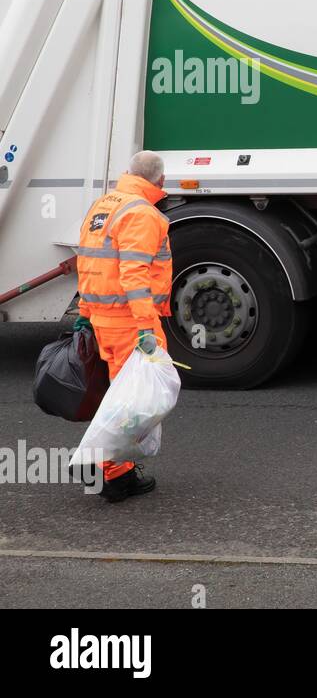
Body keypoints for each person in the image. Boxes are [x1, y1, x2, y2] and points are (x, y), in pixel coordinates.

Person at [73, 151, 172, 503]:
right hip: (130, 322)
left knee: (123, 396)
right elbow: (134, 275)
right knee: (134, 402)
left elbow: (87, 261)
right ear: (159, 182)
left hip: (103, 319)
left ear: (128, 173)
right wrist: (147, 328)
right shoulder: (143, 214)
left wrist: (85, 311)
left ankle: (115, 468)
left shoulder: (103, 205)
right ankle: (107, 469)